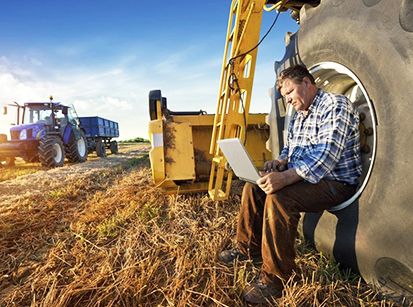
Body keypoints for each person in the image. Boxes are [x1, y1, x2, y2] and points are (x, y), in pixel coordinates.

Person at [218, 65, 362, 304]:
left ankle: (275, 280)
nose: (287, 100)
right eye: (284, 96)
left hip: (335, 181)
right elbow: (290, 148)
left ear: (307, 83)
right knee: (253, 187)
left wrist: (285, 178)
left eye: (290, 92)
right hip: (307, 177)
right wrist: (280, 162)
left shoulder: (335, 105)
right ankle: (247, 250)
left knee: (279, 198)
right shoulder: (299, 113)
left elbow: (326, 157)